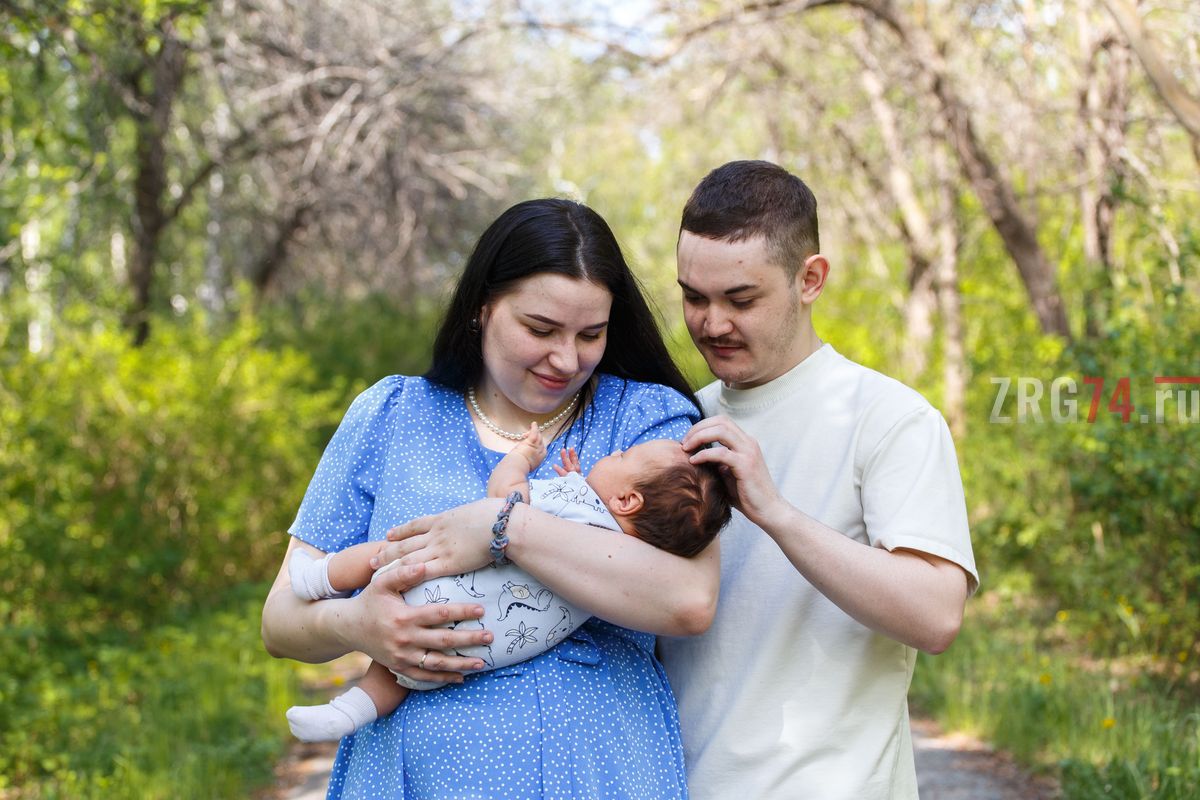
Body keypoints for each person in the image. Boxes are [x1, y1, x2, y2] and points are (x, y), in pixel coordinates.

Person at [261, 198, 722, 799]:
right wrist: (361, 624)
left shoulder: (647, 424)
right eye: (540, 329)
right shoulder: (392, 415)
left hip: (600, 774)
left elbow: (688, 600)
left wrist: (506, 528)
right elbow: (280, 621)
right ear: (483, 308)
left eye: (591, 334)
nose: (566, 359)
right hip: (416, 777)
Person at [657, 160, 980, 800]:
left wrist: (775, 512)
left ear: (811, 279)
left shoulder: (889, 418)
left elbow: (937, 615)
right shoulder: (675, 419)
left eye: (741, 299)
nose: (712, 323)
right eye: (695, 296)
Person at [284, 423, 730, 742]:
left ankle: (318, 577)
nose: (614, 454)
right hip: (469, 646)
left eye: (623, 457)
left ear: (628, 499)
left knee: (385, 552)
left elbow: (505, 495)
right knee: (397, 677)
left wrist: (521, 459)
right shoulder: (627, 563)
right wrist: (579, 481)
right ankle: (346, 713)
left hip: (434, 583)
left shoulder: (574, 501)